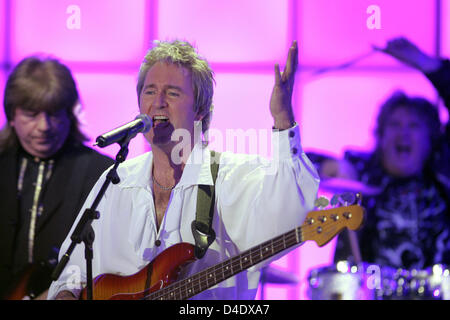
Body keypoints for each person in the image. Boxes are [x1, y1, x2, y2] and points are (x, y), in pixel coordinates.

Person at [47, 39, 320, 300]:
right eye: (150, 91)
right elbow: (73, 266)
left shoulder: (231, 176)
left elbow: (287, 219)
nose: (159, 101)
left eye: (173, 92)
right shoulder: (117, 180)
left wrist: (283, 121)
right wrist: (65, 293)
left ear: (200, 109)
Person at [313, 37, 450, 272]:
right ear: (381, 136)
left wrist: (426, 64)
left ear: (431, 140)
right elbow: (296, 161)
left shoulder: (441, 176)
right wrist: (332, 168)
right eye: (395, 125)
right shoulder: (362, 171)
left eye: (414, 126)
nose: (403, 133)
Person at [0, 56, 114, 299]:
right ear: (11, 114)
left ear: (70, 114)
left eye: (54, 114)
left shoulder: (103, 173)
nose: (44, 126)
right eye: (31, 114)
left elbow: (112, 259)